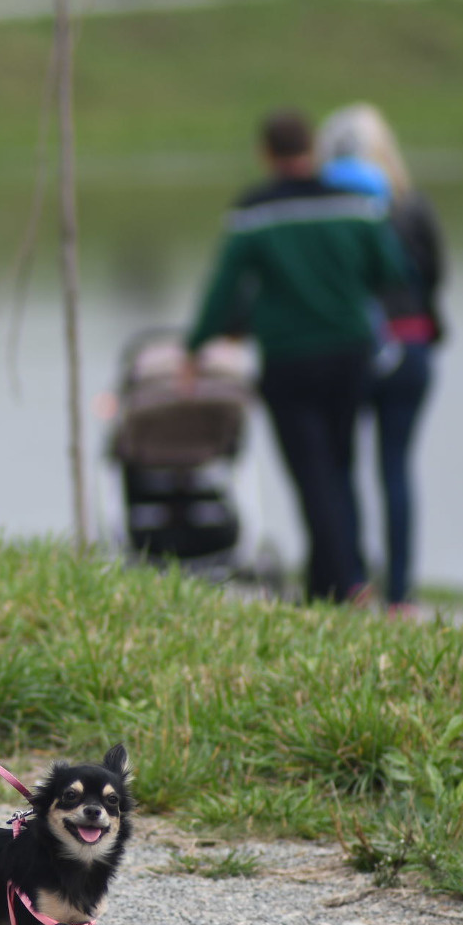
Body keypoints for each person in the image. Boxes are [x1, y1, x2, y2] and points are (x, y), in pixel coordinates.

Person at [184, 107, 409, 603]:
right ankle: (345, 575)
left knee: (310, 472)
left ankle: (339, 584)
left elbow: (224, 288)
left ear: (265, 153)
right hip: (350, 354)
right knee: (342, 463)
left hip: (290, 360)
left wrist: (195, 345)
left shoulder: (255, 212)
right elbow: (391, 269)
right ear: (313, 149)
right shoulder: (354, 205)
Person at [318, 103, 448, 612]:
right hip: (412, 347)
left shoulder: (330, 209)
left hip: (349, 349)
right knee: (395, 469)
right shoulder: (411, 205)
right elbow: (435, 276)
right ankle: (401, 595)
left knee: (342, 466)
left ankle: (353, 584)